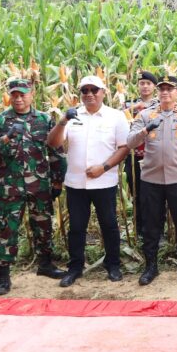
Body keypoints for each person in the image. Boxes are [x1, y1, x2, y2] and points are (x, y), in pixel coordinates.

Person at [0, 79, 67, 295]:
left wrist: (57, 180)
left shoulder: (44, 120)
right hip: (10, 187)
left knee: (43, 225)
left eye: (22, 94)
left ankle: (45, 264)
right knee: (7, 229)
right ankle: (3, 274)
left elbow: (55, 150)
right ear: (9, 96)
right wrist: (5, 139)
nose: (18, 98)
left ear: (31, 94)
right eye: (14, 95)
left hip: (39, 185)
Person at [47, 75, 130, 288]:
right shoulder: (72, 116)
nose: (90, 94)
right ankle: (75, 267)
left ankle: (113, 264)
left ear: (104, 92)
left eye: (94, 90)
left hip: (105, 182)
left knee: (109, 225)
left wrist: (103, 167)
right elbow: (53, 142)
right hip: (76, 184)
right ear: (80, 94)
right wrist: (63, 120)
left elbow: (124, 148)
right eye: (85, 90)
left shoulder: (116, 116)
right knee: (76, 227)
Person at [127, 75, 177, 285]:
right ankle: (151, 266)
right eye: (162, 89)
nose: (165, 92)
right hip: (151, 180)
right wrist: (147, 128)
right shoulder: (145, 115)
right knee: (151, 226)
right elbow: (130, 143)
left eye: (170, 89)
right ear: (158, 92)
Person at [122, 70, 159, 238]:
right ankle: (139, 230)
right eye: (142, 83)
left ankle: (156, 230)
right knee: (137, 192)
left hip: (154, 155)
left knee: (154, 194)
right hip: (134, 156)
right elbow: (117, 118)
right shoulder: (129, 105)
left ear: (154, 87)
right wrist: (133, 108)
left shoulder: (160, 104)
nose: (145, 86)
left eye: (148, 83)